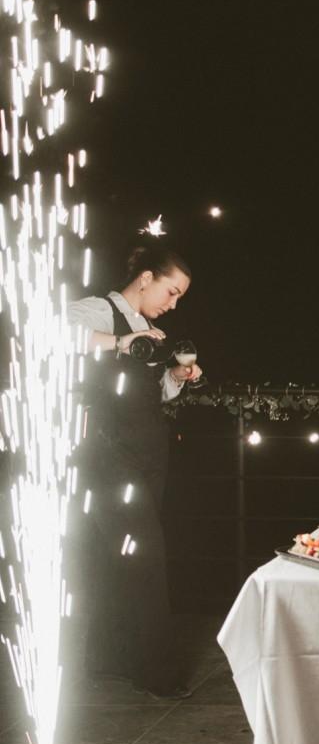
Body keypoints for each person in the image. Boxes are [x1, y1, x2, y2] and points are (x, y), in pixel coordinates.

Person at [67, 243, 203, 700]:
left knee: (121, 556)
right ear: (145, 278)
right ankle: (155, 670)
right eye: (171, 291)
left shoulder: (151, 330)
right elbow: (55, 336)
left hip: (149, 451)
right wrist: (119, 341)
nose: (173, 303)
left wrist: (174, 381)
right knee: (145, 554)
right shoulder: (98, 311)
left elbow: (154, 395)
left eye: (180, 297)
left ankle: (106, 658)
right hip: (107, 453)